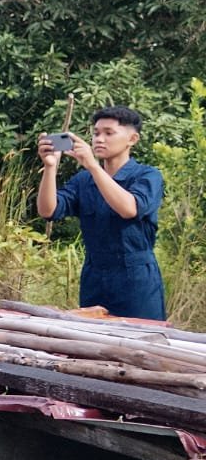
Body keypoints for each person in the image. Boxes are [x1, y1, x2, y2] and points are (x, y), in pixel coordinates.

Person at [36, 106, 166, 320]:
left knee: (141, 343)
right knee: (93, 345)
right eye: (96, 133)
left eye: (109, 133)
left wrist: (92, 166)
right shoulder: (83, 181)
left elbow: (129, 208)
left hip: (135, 278)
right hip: (94, 275)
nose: (99, 139)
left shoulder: (148, 175)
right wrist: (50, 168)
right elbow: (48, 210)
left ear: (132, 139)